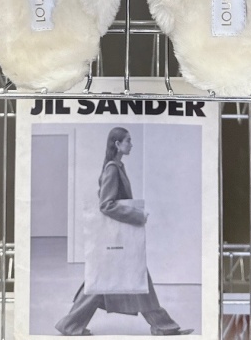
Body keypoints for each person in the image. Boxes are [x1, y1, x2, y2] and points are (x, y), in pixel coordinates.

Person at [55, 127, 194, 336]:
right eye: (128, 140)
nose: (131, 144)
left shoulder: (117, 166)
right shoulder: (112, 168)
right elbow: (106, 204)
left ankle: (162, 326)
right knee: (108, 283)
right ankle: (161, 326)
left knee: (120, 281)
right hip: (117, 239)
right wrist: (137, 215)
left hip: (118, 239)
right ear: (117, 144)